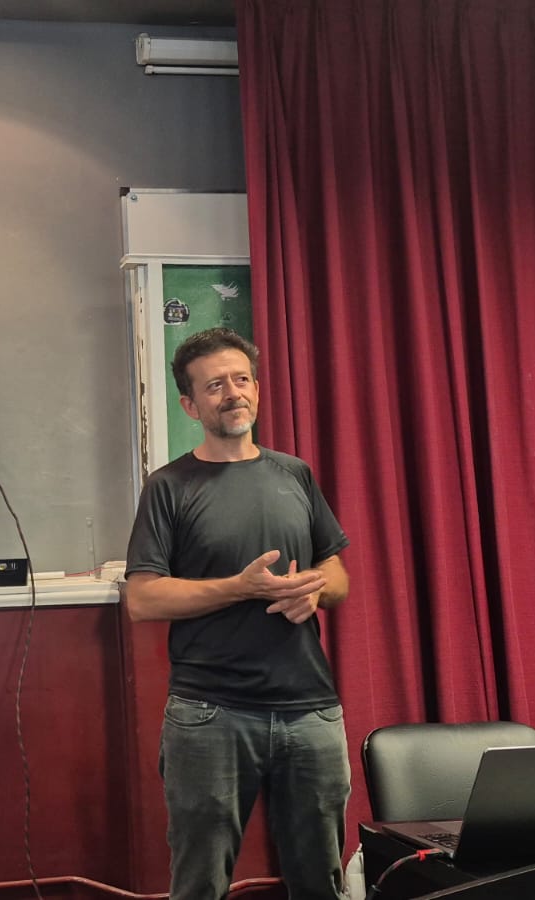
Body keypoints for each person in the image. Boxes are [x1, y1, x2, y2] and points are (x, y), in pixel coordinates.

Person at [124, 327, 352, 900]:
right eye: (215, 385)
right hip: (210, 713)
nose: (233, 393)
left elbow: (337, 573)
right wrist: (240, 588)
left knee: (321, 881)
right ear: (190, 405)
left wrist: (314, 589)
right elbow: (143, 598)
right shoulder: (168, 487)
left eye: (241, 379)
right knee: (199, 884)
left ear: (256, 388)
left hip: (310, 710)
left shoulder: (295, 474)